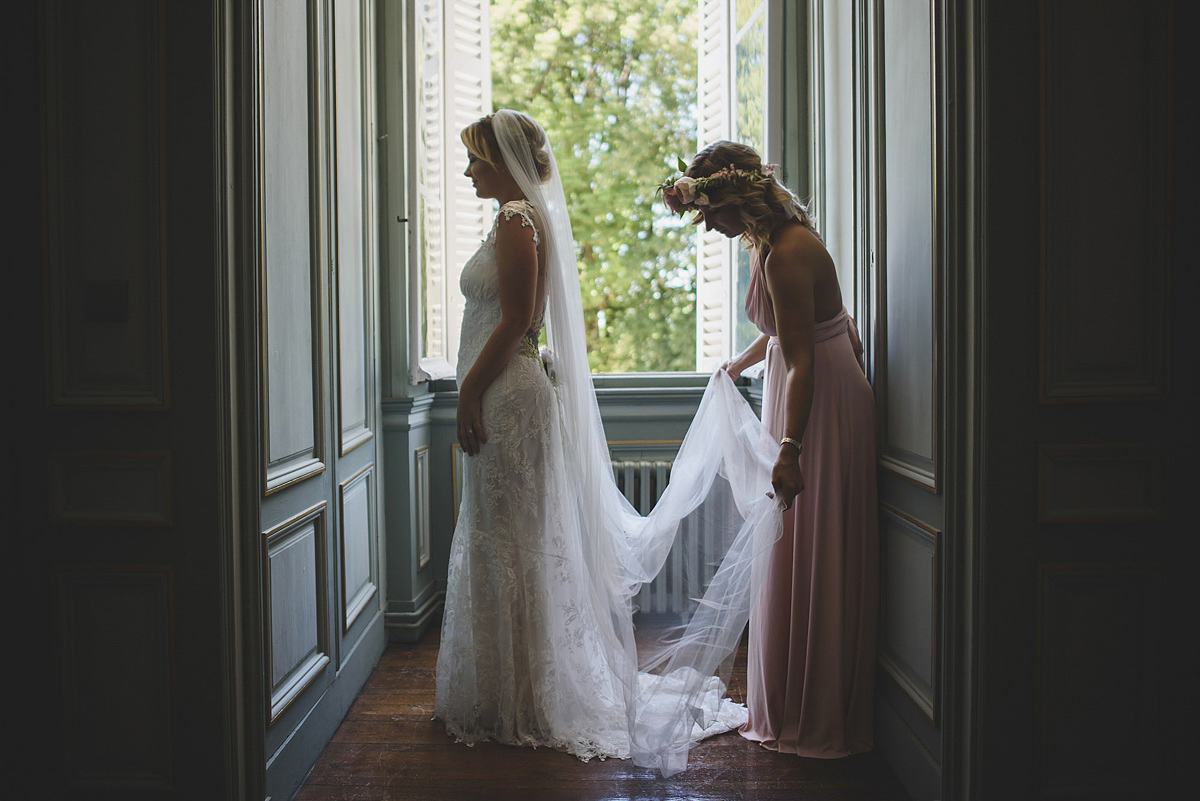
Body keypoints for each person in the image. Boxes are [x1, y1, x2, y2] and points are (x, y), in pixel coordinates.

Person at [434, 111, 779, 776]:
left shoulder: (515, 220)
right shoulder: (512, 216)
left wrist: (469, 392)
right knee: (502, 537)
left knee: (511, 540)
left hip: (505, 397)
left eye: (475, 158)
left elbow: (517, 320)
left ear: (502, 160)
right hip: (504, 395)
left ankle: (525, 697)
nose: (469, 169)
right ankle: (508, 689)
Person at [660, 141, 879, 757]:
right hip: (800, 383)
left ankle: (811, 705)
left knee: (807, 539)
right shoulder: (768, 244)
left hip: (823, 399)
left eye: (709, 212)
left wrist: (791, 450)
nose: (707, 224)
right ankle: (785, 693)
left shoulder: (787, 252)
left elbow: (806, 356)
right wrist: (744, 361)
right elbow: (786, 332)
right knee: (789, 542)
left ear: (735, 201)